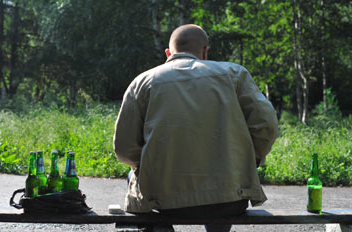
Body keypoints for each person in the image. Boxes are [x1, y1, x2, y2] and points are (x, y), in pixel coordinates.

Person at [114, 24, 279, 232]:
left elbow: (123, 149)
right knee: (222, 197)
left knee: (133, 179)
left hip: (162, 201)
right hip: (228, 199)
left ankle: (159, 230)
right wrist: (249, 159)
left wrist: (149, 165)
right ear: (205, 52)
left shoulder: (142, 82)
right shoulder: (234, 74)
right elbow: (267, 126)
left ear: (168, 53)